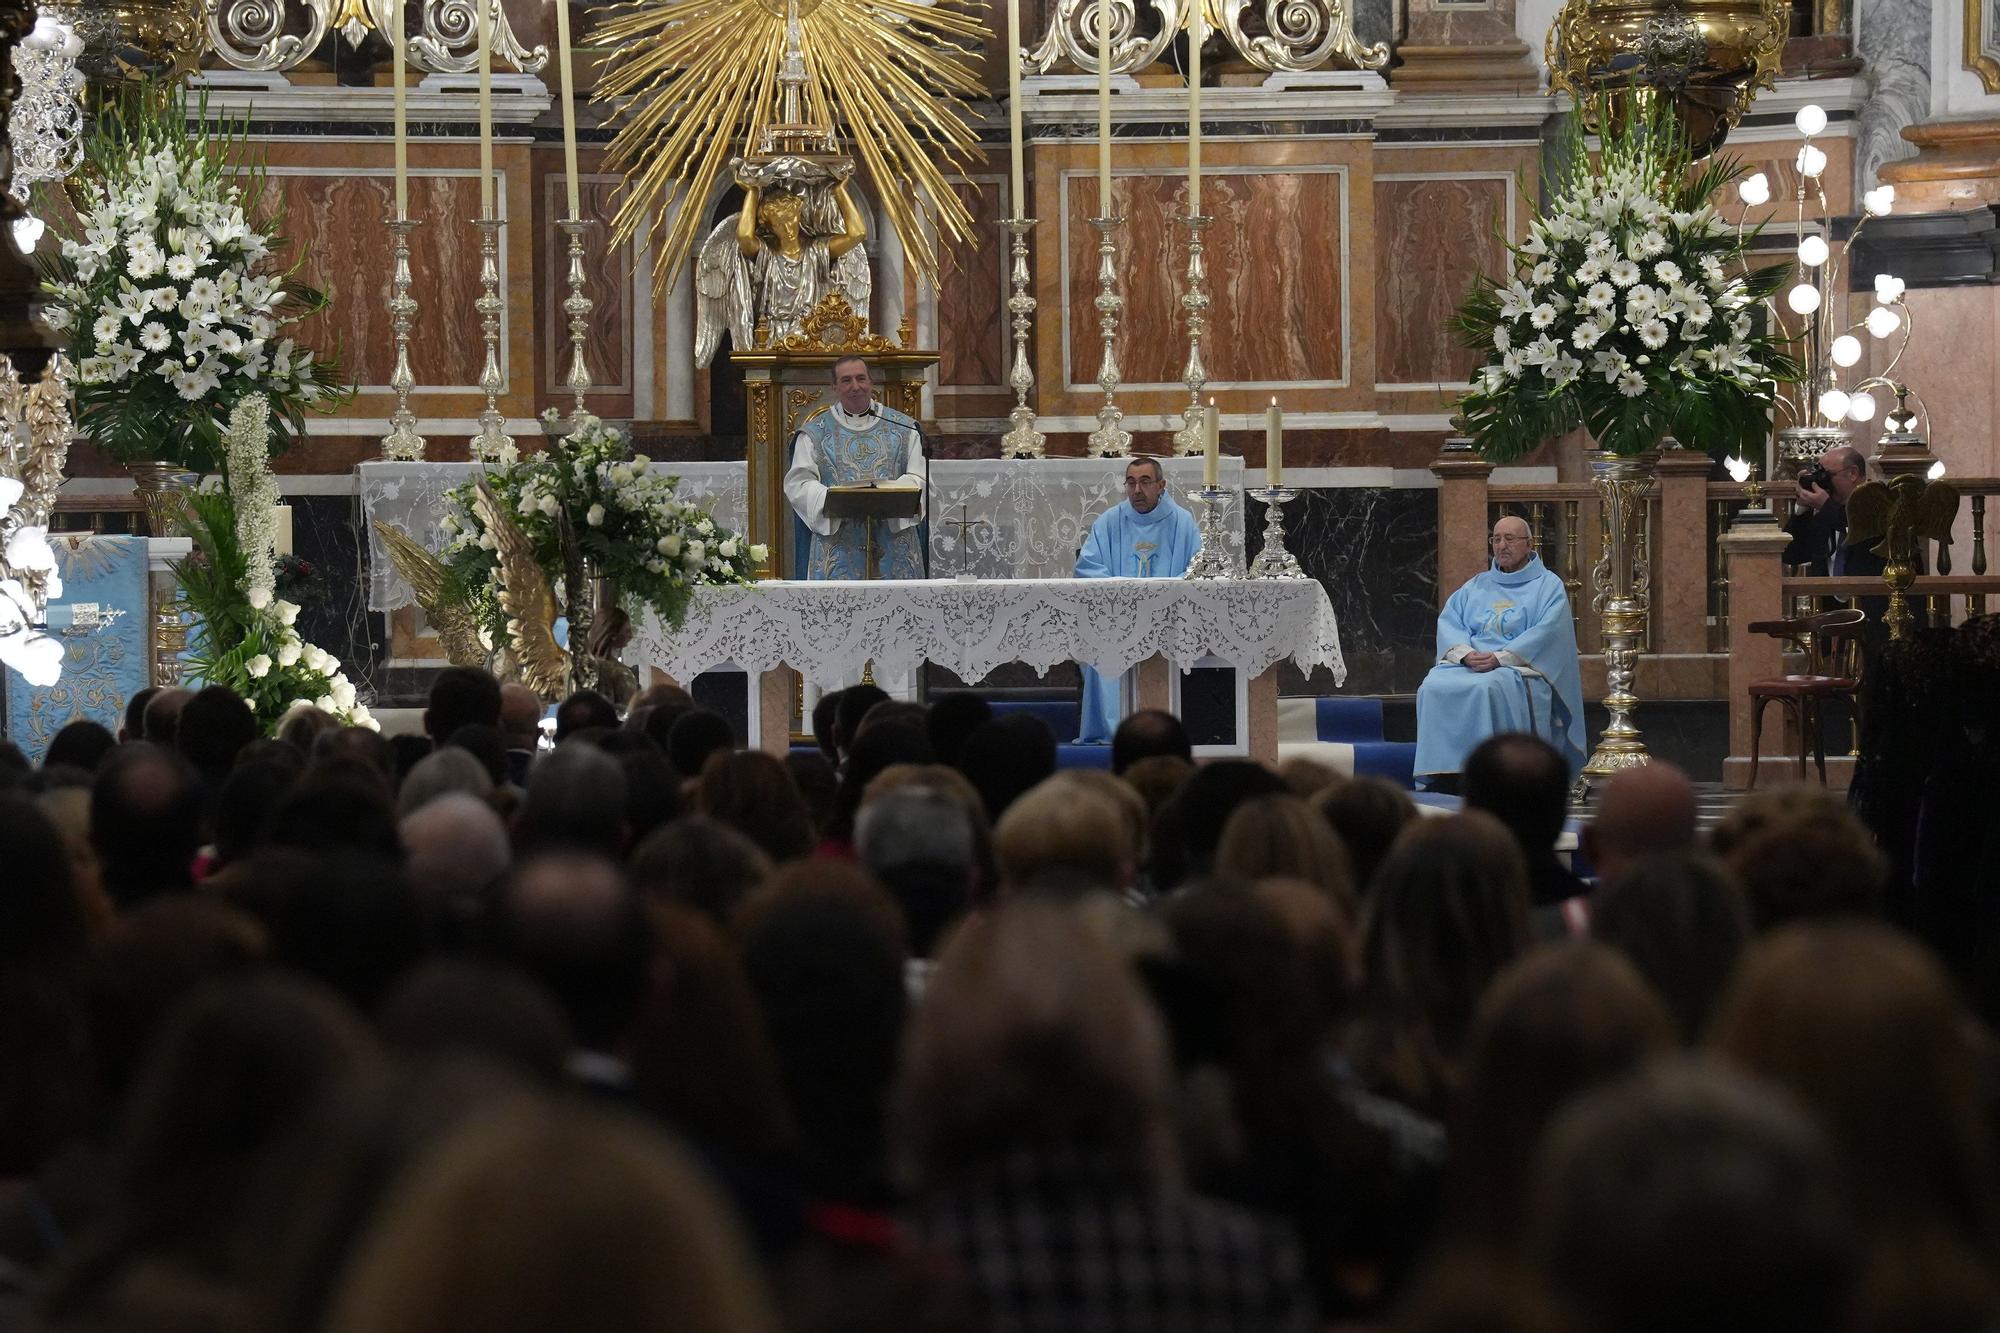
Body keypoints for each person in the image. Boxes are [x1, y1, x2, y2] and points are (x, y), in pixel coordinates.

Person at [1414, 517, 1585, 788]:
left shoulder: (1547, 586)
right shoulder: (1476, 586)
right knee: (1432, 685)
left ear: (1529, 544)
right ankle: (1444, 774)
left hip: (1515, 666)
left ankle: (1489, 775)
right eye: (1496, 539)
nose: (1502, 545)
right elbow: (1450, 622)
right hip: (1471, 663)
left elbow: (1549, 632)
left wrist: (1500, 657)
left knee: (1488, 688)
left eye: (1510, 539)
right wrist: (1465, 654)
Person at [1073, 458, 1203, 744]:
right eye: (1131, 482)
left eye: (1145, 481)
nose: (1137, 490)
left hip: (1169, 618)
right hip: (1116, 619)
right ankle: (1113, 730)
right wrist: (1124, 595)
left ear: (1161, 485)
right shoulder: (1109, 521)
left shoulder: (1182, 522)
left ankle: (1169, 728)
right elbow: (1087, 568)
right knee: (1102, 641)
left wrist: (1160, 595)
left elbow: (1198, 569)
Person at [784, 356, 928, 581]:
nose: (855, 387)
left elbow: (921, 477)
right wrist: (833, 499)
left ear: (871, 382)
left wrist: (892, 494)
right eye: (846, 380)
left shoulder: (904, 428)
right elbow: (799, 483)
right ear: (834, 387)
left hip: (894, 544)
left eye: (861, 378)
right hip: (838, 547)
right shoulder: (814, 434)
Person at [1783, 443, 1884, 579]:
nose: (1823, 482)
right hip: (1828, 597)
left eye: (1826, 475)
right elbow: (1791, 554)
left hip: (1871, 595)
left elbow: (1857, 529)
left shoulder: (1879, 502)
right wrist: (1803, 508)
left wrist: (1826, 506)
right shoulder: (1826, 514)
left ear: (1852, 473)